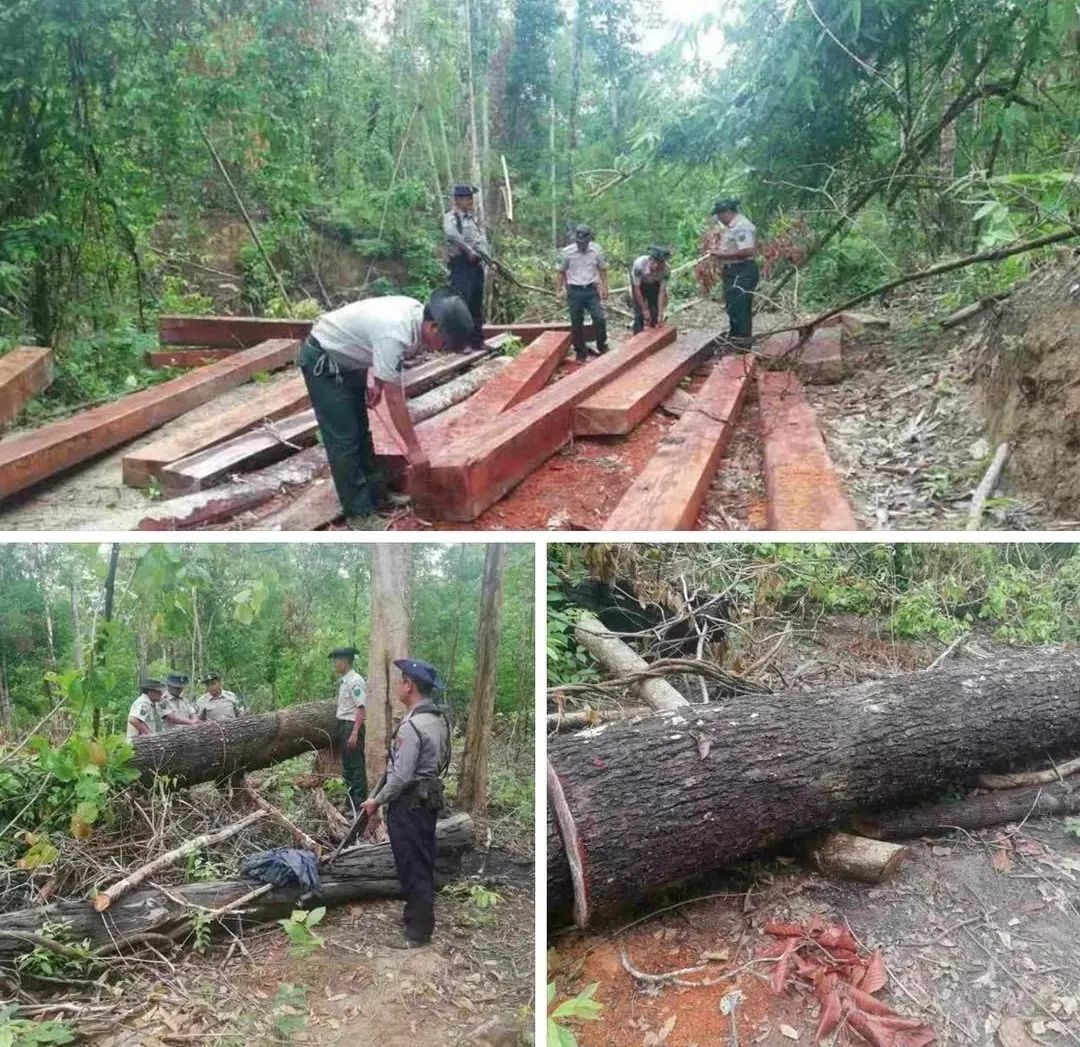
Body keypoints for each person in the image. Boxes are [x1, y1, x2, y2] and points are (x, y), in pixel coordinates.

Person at [298, 291, 475, 529]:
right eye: (444, 344)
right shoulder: (395, 332)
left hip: (350, 361)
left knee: (361, 432)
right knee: (344, 440)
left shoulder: (413, 316)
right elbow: (395, 399)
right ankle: (359, 514)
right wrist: (414, 450)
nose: (440, 350)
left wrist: (379, 383)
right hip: (324, 361)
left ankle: (376, 495)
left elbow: (385, 356)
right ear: (433, 327)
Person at [360, 658, 450, 949]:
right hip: (429, 798)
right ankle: (419, 918)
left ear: (409, 686)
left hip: (409, 803)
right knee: (423, 860)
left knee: (412, 865)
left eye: (401, 681)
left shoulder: (411, 725)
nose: (399, 686)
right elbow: (444, 760)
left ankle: (417, 933)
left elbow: (400, 776)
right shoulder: (438, 719)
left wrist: (376, 800)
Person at [705, 198, 760, 350]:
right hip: (731, 270)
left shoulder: (742, 226)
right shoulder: (731, 227)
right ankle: (734, 340)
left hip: (742, 270)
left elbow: (748, 251)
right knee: (733, 307)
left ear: (727, 212)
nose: (719, 219)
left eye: (720, 215)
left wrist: (721, 255)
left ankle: (742, 346)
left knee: (741, 308)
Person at [555, 224, 610, 363]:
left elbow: (603, 270)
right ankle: (580, 351)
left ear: (589, 240)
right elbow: (561, 272)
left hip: (591, 289)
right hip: (574, 290)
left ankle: (602, 345)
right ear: (575, 240)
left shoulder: (597, 251)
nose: (582, 245)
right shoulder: (567, 252)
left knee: (599, 318)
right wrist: (558, 289)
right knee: (576, 322)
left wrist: (605, 288)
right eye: (579, 242)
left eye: (584, 242)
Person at [443, 185, 488, 349]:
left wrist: (488, 259)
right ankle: (461, 343)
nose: (471, 201)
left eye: (471, 198)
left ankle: (477, 341)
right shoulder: (451, 217)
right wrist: (468, 249)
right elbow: (451, 234)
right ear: (458, 200)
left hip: (476, 265)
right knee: (461, 303)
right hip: (460, 265)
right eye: (467, 198)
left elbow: (480, 240)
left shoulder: (473, 219)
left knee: (476, 302)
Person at [329, 647, 368, 809]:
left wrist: (354, 733)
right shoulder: (345, 680)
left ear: (345, 662)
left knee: (356, 767)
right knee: (347, 767)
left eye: (337, 662)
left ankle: (359, 805)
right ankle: (350, 802)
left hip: (351, 727)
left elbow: (361, 708)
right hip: (343, 726)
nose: (335, 665)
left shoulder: (355, 681)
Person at [629, 246, 672, 334]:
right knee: (639, 312)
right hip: (640, 283)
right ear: (650, 259)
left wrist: (660, 313)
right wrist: (644, 310)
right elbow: (637, 288)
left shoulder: (666, 270)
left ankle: (654, 333)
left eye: (660, 264)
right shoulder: (639, 265)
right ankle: (637, 334)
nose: (656, 266)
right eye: (654, 263)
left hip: (655, 284)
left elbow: (661, 292)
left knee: (654, 313)